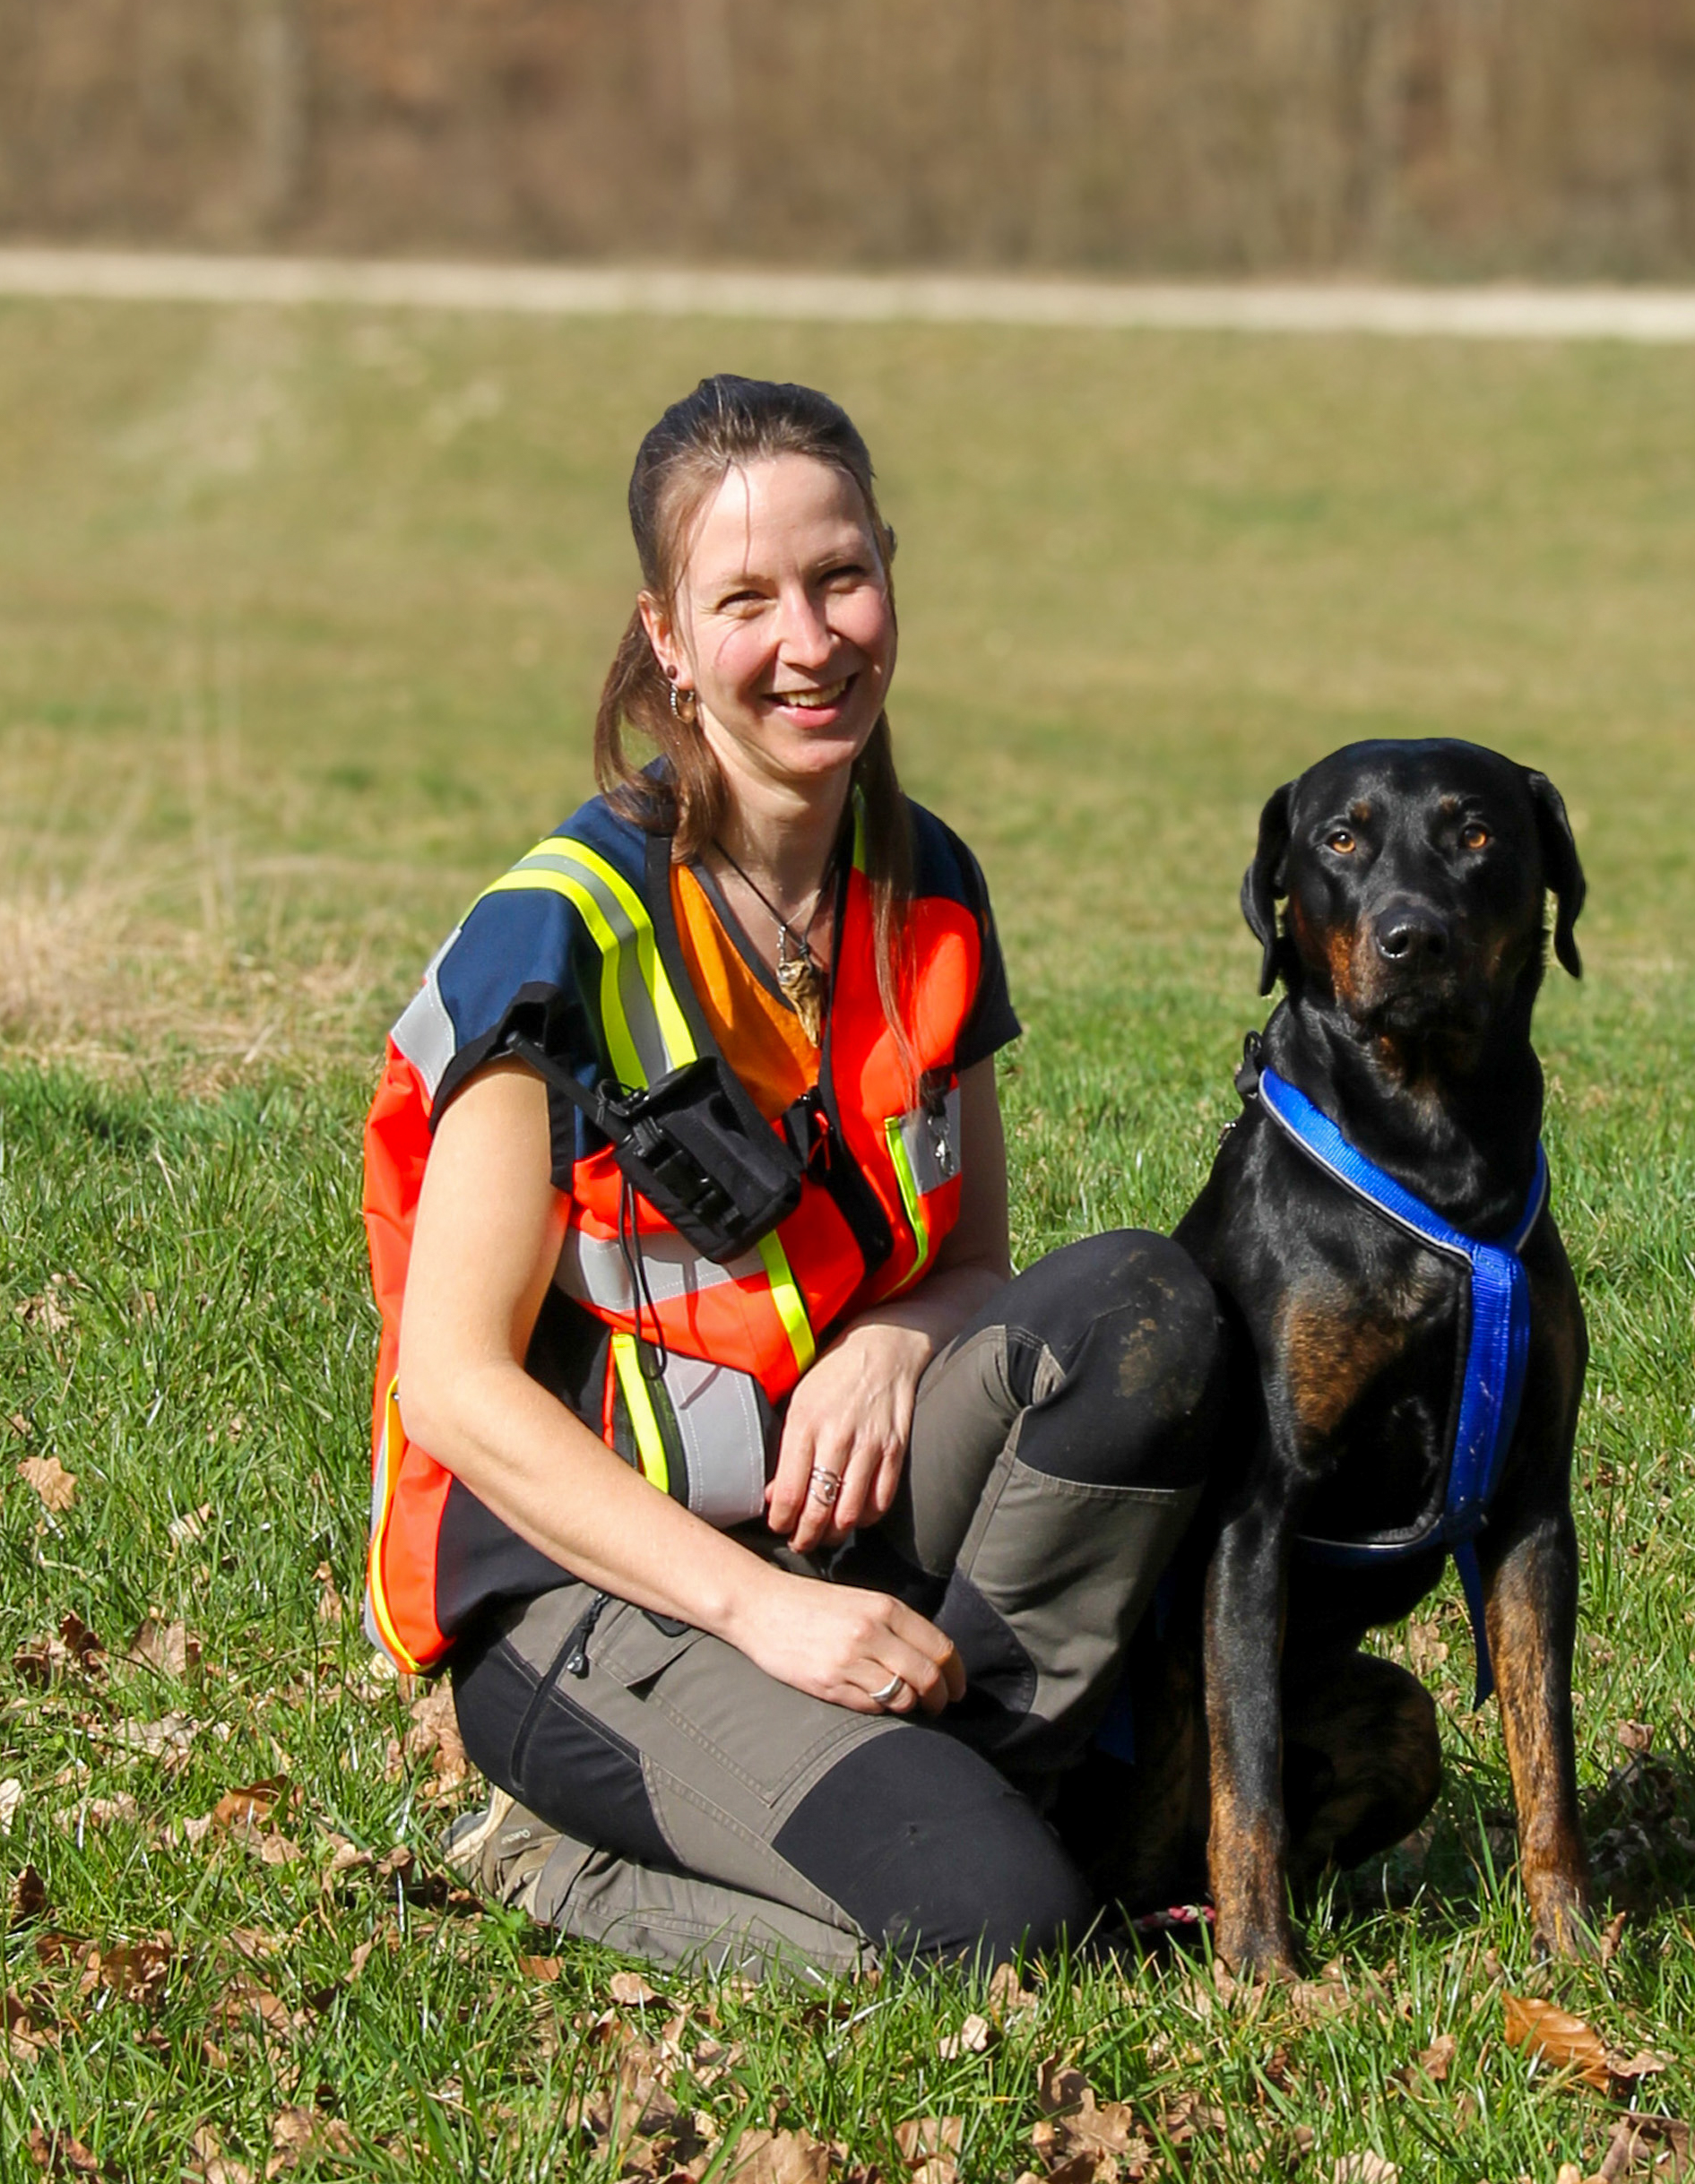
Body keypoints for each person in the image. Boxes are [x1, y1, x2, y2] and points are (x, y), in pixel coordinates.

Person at [362, 374, 1229, 1978]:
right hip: (588, 1591)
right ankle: (555, 1863)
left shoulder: (930, 884)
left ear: (890, 571)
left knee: (1145, 1307)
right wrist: (760, 1612)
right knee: (1003, 1932)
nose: (811, 640)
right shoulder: (554, 940)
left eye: (840, 577)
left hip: (832, 1532)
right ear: (668, 638)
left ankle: (941, 1793)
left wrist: (901, 1337)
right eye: (746, 599)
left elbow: (975, 1259)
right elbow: (456, 1387)